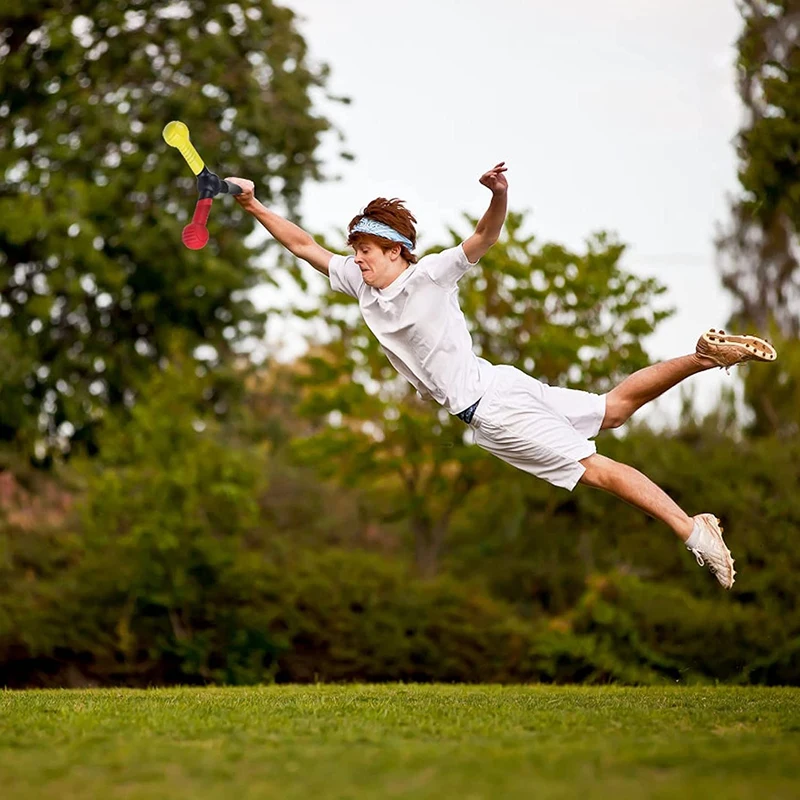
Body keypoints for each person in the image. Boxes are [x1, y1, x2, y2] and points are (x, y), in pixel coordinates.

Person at [225, 166, 777, 589]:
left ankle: (691, 531)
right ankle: (704, 358)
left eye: (366, 251)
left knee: (597, 471)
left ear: (397, 251)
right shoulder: (362, 283)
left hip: (493, 409)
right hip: (500, 383)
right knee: (612, 411)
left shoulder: (431, 276)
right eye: (356, 252)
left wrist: (499, 194)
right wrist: (254, 204)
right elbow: (302, 244)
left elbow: (484, 238)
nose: (357, 260)